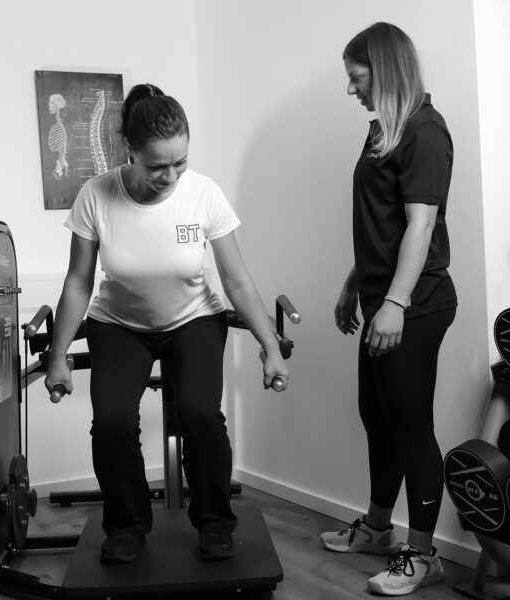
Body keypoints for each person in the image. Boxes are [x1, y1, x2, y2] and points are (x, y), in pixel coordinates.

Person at [45, 83, 289, 565]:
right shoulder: (96, 195)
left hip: (194, 319)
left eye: (180, 162)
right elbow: (78, 282)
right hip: (119, 324)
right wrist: (58, 357)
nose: (171, 176)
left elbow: (236, 279)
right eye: (158, 166)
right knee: (112, 424)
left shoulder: (203, 193)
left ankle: (214, 522)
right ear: (130, 150)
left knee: (201, 415)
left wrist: (271, 347)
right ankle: (127, 526)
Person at [319, 22, 457, 596]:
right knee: (376, 418)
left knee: (411, 428)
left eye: (357, 77)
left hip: (416, 303)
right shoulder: (383, 130)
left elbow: (421, 227)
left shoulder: (425, 131)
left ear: (385, 68)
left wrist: (395, 301)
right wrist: (356, 282)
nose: (351, 89)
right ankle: (378, 528)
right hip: (381, 298)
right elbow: (385, 221)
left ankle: (424, 556)